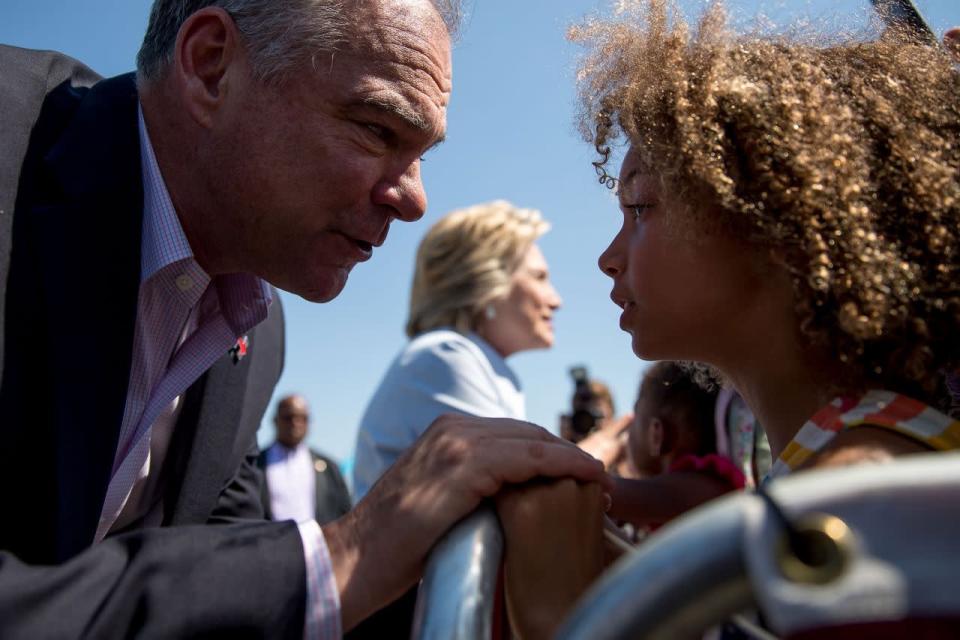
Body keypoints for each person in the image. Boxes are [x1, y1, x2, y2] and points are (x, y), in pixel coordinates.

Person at [0, 1, 611, 637]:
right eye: (378, 130)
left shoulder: (257, 329)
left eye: (424, 152)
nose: (415, 200)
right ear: (211, 66)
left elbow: (221, 578)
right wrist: (348, 554)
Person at [495, 0, 960, 636]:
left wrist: (555, 612)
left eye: (638, 208)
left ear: (779, 223)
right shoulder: (840, 456)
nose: (607, 258)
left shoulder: (861, 496)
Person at [352, 200, 562, 499]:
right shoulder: (446, 357)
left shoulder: (467, 360)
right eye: (540, 277)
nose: (556, 300)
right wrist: (603, 452)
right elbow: (519, 497)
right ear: (487, 281)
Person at [259, 394, 352, 526]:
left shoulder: (328, 467)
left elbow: (344, 512)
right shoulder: (255, 465)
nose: (296, 423)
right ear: (275, 420)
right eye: (289, 417)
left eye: (303, 418)